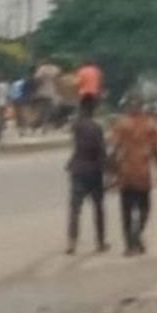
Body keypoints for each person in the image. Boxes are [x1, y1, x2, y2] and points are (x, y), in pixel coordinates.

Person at [111, 94, 157, 256]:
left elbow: (115, 150)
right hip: (142, 174)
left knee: (126, 211)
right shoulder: (151, 125)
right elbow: (156, 150)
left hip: (126, 173)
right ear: (142, 107)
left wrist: (111, 173)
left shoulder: (121, 124)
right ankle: (137, 235)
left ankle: (129, 244)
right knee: (145, 209)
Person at [66, 96, 109, 255]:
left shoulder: (76, 126)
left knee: (75, 208)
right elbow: (101, 150)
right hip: (93, 170)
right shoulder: (96, 128)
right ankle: (100, 242)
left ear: (82, 109)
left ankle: (72, 242)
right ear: (93, 109)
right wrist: (107, 170)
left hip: (78, 169)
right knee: (98, 207)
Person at [34, 60, 62, 132]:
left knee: (41, 109)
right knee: (48, 110)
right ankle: (44, 125)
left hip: (42, 92)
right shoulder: (55, 69)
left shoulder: (41, 69)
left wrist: (35, 89)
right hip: (51, 92)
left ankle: (38, 124)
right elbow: (58, 80)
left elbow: (37, 79)